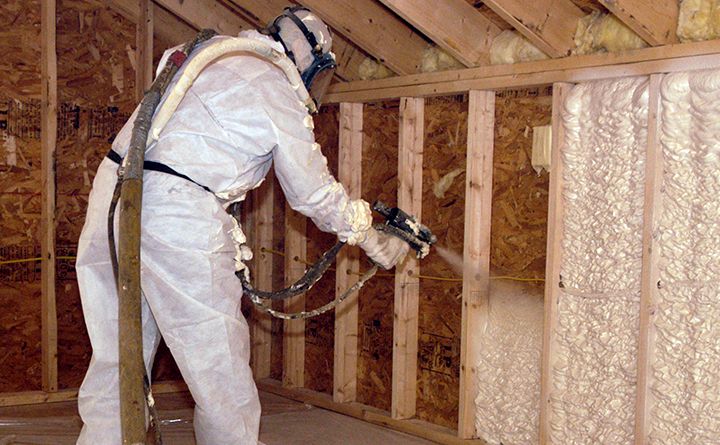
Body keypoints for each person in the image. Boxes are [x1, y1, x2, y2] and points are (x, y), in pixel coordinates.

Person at [75, 7, 408, 445]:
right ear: (308, 62)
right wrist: (367, 234)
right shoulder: (275, 87)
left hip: (115, 190)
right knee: (221, 376)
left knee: (119, 360)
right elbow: (312, 193)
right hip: (179, 211)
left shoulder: (202, 51)